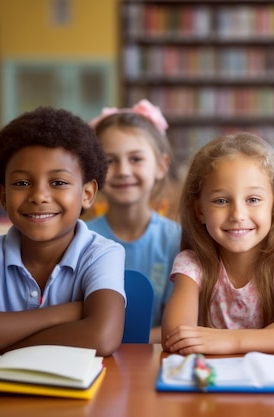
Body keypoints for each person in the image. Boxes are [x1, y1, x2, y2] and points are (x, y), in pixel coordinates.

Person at [0, 107, 126, 356]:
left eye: (58, 182)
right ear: (4, 196)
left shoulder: (102, 254)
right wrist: (65, 312)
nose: (38, 196)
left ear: (87, 194)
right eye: (22, 183)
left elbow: (102, 337)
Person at [162, 132, 274, 355]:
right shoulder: (192, 263)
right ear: (200, 211)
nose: (238, 214)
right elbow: (176, 338)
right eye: (221, 201)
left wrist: (232, 341)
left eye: (253, 200)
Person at [86, 99, 181, 343]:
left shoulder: (177, 240)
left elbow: (180, 327)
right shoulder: (81, 239)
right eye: (110, 161)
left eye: (136, 159)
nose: (124, 171)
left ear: (161, 166)